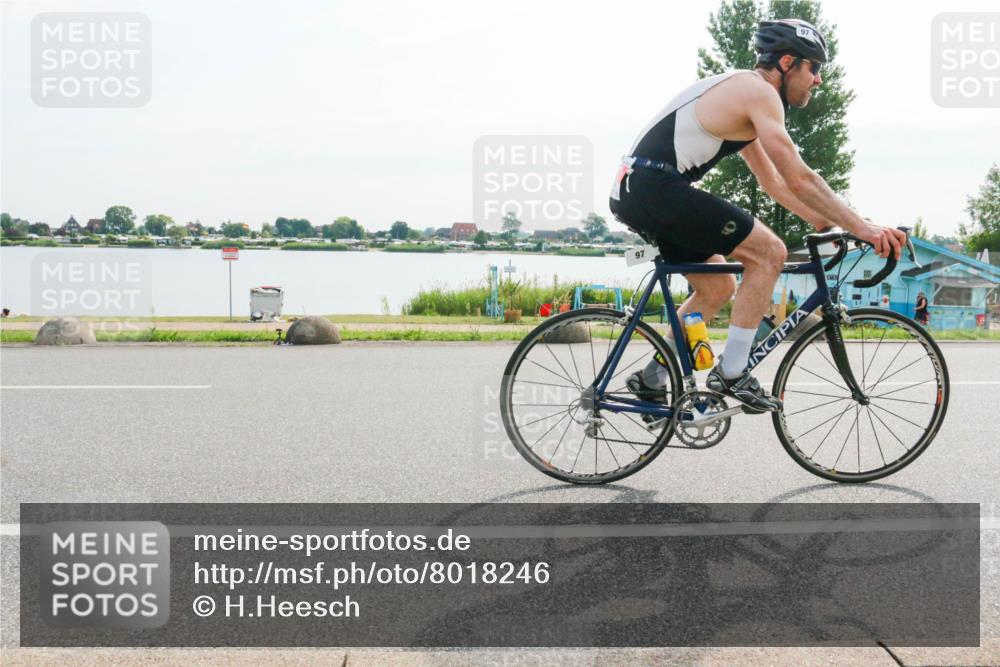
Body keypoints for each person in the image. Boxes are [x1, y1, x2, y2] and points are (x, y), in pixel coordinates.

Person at [611, 18, 906, 412]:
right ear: (787, 63)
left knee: (718, 287)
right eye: (813, 68)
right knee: (769, 252)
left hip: (639, 188)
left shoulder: (743, 98)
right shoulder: (758, 93)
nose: (818, 80)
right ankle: (732, 372)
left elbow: (775, 183)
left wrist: (825, 223)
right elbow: (799, 176)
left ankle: (652, 378)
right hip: (654, 186)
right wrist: (864, 228)